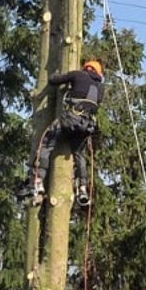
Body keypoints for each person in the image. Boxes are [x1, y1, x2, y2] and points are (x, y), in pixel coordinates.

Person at [29, 59, 104, 207]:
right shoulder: (101, 87)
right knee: (79, 154)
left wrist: (59, 75)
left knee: (47, 142)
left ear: (86, 68)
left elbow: (54, 80)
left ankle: (38, 180)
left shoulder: (78, 75)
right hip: (86, 126)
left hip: (70, 119)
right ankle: (82, 188)